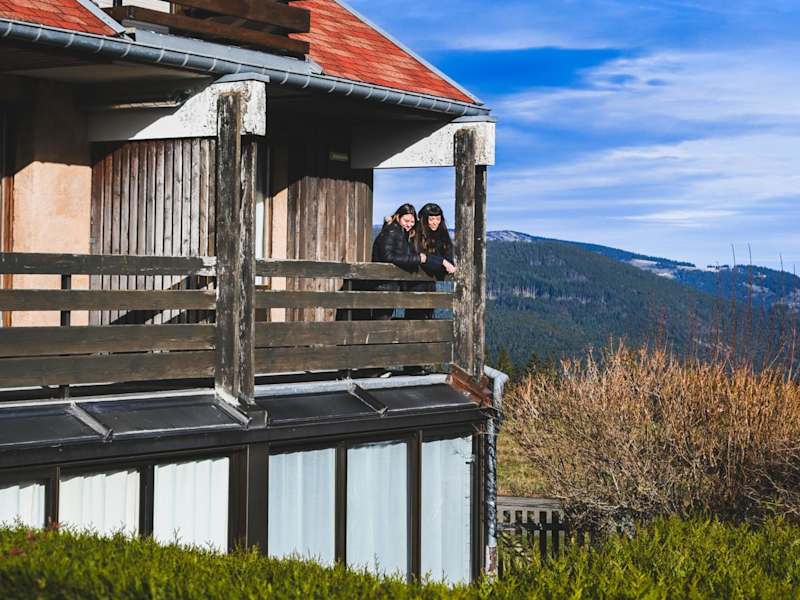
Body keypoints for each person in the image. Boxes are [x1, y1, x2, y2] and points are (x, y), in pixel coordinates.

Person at [370, 203, 427, 320]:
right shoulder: (392, 231)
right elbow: (388, 257)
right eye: (406, 220)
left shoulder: (400, 231)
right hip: (384, 284)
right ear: (398, 217)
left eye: (412, 222)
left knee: (384, 318)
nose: (409, 224)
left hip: (389, 284)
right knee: (382, 319)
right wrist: (417, 258)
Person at [406, 203, 456, 320]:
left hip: (431, 283)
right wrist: (441, 262)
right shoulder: (415, 235)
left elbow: (449, 259)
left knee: (428, 316)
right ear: (425, 219)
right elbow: (420, 257)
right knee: (414, 317)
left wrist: (439, 263)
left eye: (438, 219)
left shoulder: (443, 235)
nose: (435, 222)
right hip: (415, 283)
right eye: (431, 219)